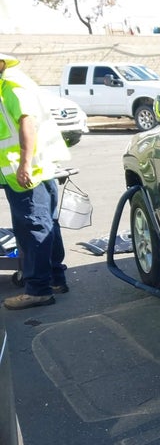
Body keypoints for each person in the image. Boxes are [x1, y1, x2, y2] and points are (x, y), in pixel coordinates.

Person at [0, 53, 69, 309]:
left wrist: (24, 165)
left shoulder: (10, 88)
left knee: (32, 229)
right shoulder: (16, 82)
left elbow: (26, 123)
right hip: (40, 168)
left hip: (26, 174)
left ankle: (37, 290)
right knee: (47, 225)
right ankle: (54, 279)